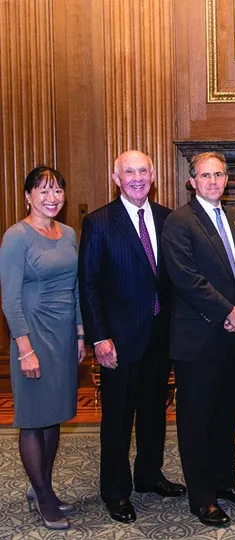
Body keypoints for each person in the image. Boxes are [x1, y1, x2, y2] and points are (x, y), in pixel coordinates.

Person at [78, 150, 186, 523]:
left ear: (152, 174)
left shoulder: (166, 218)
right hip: (119, 340)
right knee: (118, 418)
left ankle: (149, 475)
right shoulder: (99, 222)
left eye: (143, 171)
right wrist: (99, 338)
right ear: (116, 177)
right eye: (129, 172)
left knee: (155, 411)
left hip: (160, 335)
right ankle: (116, 490)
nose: (137, 178)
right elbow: (88, 285)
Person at [161, 151, 235, 527]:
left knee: (225, 417)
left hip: (234, 337)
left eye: (219, 175)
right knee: (196, 420)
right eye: (205, 176)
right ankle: (202, 497)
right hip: (198, 337)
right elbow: (185, 277)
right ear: (192, 181)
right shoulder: (179, 221)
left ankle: (224, 482)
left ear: (226, 179)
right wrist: (227, 312)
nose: (213, 181)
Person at [0, 166, 86, 530]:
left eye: (57, 191)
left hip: (64, 334)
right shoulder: (16, 237)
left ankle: (43, 487)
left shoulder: (67, 233)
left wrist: (81, 332)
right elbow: (10, 298)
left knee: (54, 415)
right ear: (28, 197)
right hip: (33, 334)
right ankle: (43, 495)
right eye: (43, 191)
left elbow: (76, 285)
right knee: (34, 419)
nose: (52, 198)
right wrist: (24, 349)